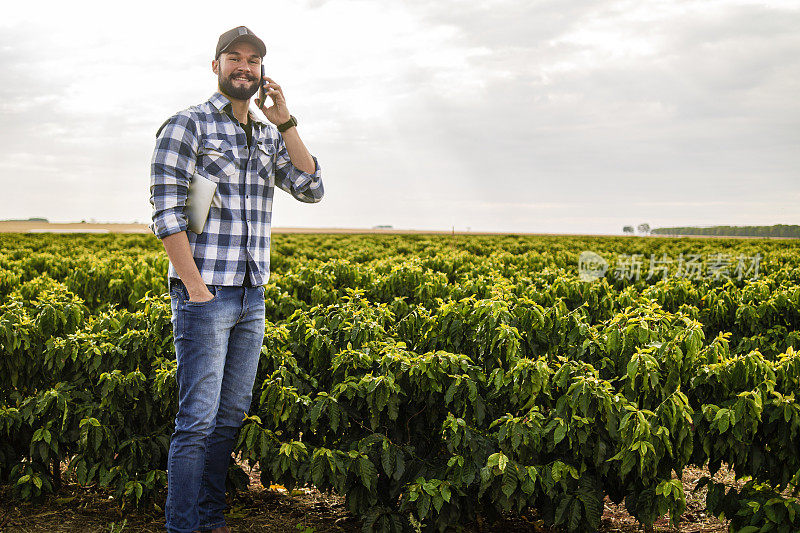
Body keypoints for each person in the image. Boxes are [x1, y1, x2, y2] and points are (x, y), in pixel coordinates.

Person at [148, 26, 324, 533]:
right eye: (234, 58)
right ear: (216, 66)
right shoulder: (188, 125)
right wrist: (196, 289)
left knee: (229, 418)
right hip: (206, 295)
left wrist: (285, 120)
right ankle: (183, 527)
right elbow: (166, 213)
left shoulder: (268, 135)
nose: (244, 67)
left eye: (253, 60)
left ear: (261, 71)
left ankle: (211, 519)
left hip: (252, 295)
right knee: (197, 422)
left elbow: (311, 187)